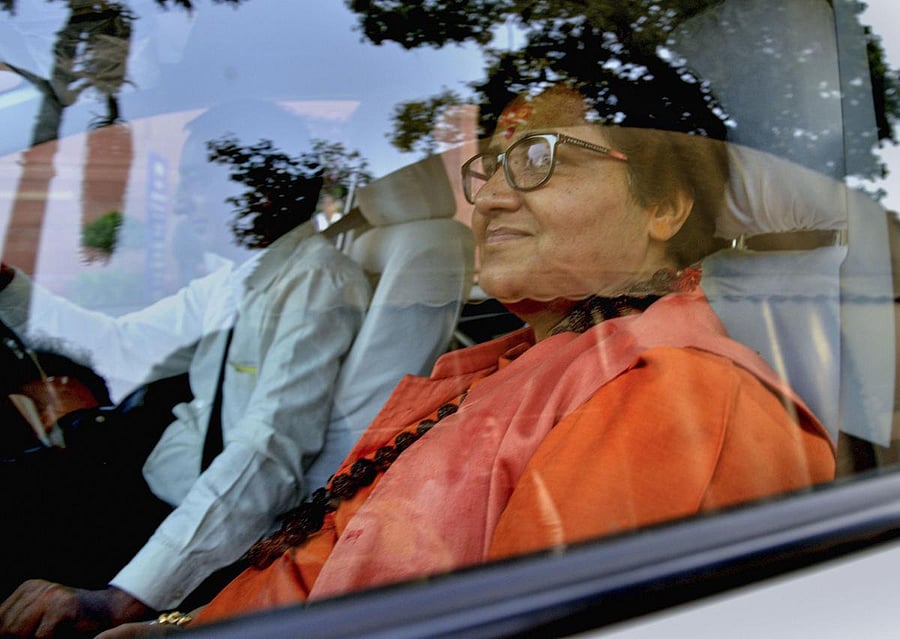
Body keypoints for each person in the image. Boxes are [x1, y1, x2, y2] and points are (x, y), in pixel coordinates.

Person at [90, 83, 835, 637]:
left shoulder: (675, 393)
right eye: (490, 168)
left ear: (663, 206)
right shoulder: (522, 357)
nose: (491, 201)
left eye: (540, 161)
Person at [0, 102, 372, 635]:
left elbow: (266, 451)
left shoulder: (317, 283)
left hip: (180, 528)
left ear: (258, 187)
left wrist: (124, 598)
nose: (179, 202)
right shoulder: (236, 279)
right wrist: (8, 285)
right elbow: (118, 345)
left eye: (196, 184)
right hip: (146, 492)